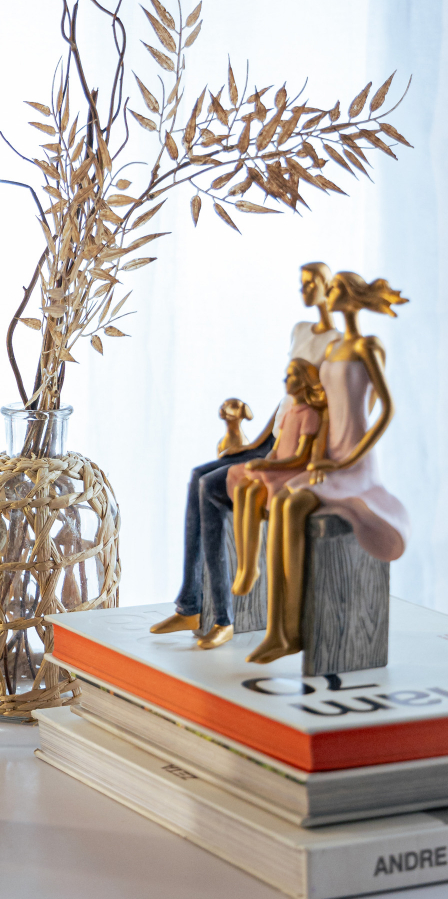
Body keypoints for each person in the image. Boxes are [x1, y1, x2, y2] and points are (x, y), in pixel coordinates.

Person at [150, 262, 340, 649]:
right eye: (302, 283)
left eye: (310, 284)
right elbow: (287, 398)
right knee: (197, 475)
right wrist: (254, 444)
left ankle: (222, 617)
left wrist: (318, 457)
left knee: (210, 487)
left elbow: (325, 406)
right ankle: (190, 605)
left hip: (295, 447)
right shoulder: (300, 330)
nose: (304, 290)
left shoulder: (337, 344)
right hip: (275, 438)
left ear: (327, 287)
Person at [246, 272, 410, 664]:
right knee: (282, 502)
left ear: (351, 297)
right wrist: (322, 453)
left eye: (335, 287)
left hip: (354, 462)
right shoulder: (334, 348)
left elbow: (384, 409)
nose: (328, 293)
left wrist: (348, 458)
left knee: (293, 505)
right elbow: (324, 406)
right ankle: (279, 631)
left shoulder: (368, 346)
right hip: (329, 456)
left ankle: (291, 631)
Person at [227, 359, 327, 599]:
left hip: (290, 470)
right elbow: (277, 447)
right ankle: (245, 564)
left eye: (291, 376)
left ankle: (252, 567)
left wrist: (269, 465)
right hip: (275, 465)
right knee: (241, 488)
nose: (285, 380)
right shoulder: (288, 412)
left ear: (304, 383)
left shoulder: (309, 415)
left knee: (253, 493)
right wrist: (266, 460)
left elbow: (300, 457)